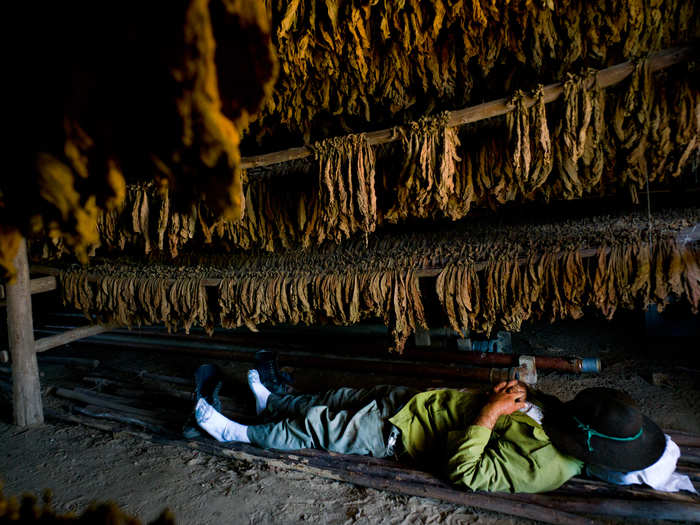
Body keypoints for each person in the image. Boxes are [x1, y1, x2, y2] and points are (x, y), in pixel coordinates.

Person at [189, 361, 696, 494]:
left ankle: (237, 432)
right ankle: (273, 401)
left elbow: (467, 472)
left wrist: (490, 414)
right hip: (417, 402)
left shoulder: (546, 466)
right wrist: (518, 393)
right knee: (334, 398)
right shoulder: (566, 423)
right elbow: (539, 406)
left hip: (398, 433)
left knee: (316, 428)